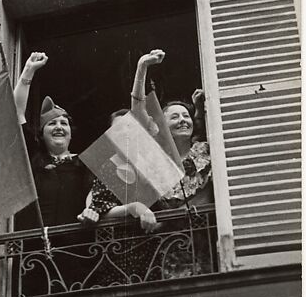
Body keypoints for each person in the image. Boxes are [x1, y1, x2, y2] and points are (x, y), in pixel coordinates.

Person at [79, 49, 212, 230]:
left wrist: (198, 110)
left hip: (210, 237)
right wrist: (142, 67)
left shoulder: (205, 149)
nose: (182, 120)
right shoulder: (154, 160)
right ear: (161, 128)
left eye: (185, 115)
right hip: (173, 244)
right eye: (174, 117)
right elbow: (138, 108)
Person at [13, 52, 93, 230]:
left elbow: (94, 193)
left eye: (63, 123)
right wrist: (28, 71)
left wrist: (90, 210)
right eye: (52, 124)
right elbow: (16, 113)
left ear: (71, 133)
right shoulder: (34, 157)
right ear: (42, 134)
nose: (58, 127)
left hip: (77, 250)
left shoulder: (84, 163)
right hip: (36, 252)